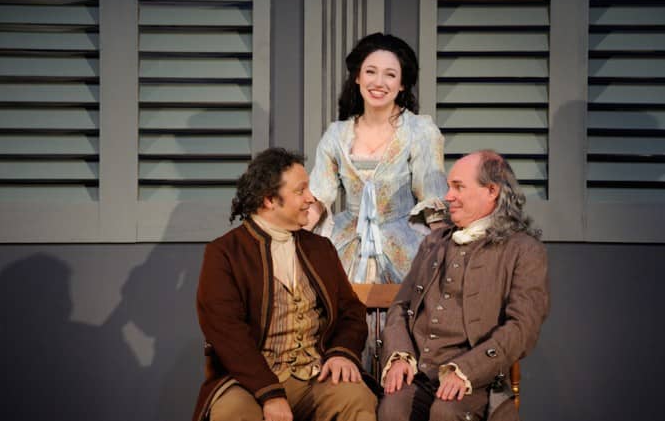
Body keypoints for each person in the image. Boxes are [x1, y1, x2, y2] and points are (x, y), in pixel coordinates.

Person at [192, 148, 377, 421]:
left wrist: (341, 354)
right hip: (249, 381)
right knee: (233, 414)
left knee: (356, 399)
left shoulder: (320, 249)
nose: (311, 199)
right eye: (300, 191)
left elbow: (351, 312)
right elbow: (226, 331)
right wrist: (269, 392)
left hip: (315, 374)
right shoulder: (225, 253)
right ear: (269, 200)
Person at [377, 151, 550, 421]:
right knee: (393, 409)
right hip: (421, 375)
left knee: (446, 412)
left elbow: (522, 328)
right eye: (449, 187)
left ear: (492, 191)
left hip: (477, 380)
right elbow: (401, 306)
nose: (448, 196)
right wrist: (400, 355)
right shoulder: (435, 242)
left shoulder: (524, 250)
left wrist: (466, 370)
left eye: (458, 187)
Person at [307, 32, 448, 284]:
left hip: (406, 243)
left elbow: (433, 198)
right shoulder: (336, 135)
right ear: (358, 77)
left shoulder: (420, 131)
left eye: (390, 74)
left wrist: (445, 258)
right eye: (371, 72)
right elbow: (317, 197)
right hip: (346, 244)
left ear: (402, 83)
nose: (379, 82)